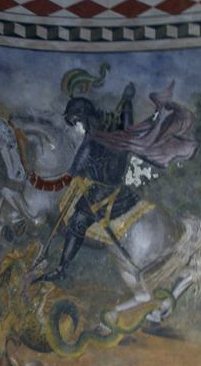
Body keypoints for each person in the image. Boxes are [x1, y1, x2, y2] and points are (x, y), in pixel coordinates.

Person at [38, 83, 139, 282]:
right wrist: (127, 103)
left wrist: (40, 183)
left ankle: (62, 268)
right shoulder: (108, 135)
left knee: (77, 221)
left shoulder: (94, 140)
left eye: (77, 121)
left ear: (83, 117)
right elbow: (128, 131)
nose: (78, 126)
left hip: (103, 194)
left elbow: (71, 174)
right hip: (112, 190)